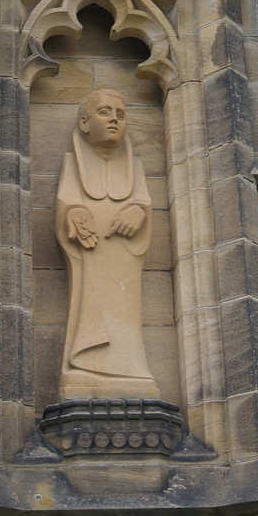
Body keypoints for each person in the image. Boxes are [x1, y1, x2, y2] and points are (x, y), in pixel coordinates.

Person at [56, 89, 160, 400]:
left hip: (123, 257)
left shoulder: (133, 165)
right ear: (84, 123)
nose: (114, 119)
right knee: (89, 306)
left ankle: (130, 368)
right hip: (90, 257)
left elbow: (142, 201)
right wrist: (73, 213)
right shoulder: (72, 162)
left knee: (124, 310)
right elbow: (66, 202)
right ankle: (84, 365)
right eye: (105, 112)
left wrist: (138, 211)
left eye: (121, 114)